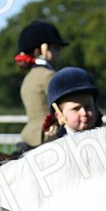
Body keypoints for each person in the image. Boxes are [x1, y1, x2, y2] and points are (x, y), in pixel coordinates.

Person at [15, 20, 67, 152]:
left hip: (28, 136)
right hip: (48, 137)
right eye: (56, 47)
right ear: (43, 49)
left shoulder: (28, 77)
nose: (59, 52)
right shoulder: (49, 75)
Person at [41, 66, 101, 143]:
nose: (84, 113)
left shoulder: (104, 139)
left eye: (88, 107)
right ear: (59, 115)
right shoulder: (56, 145)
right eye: (76, 108)